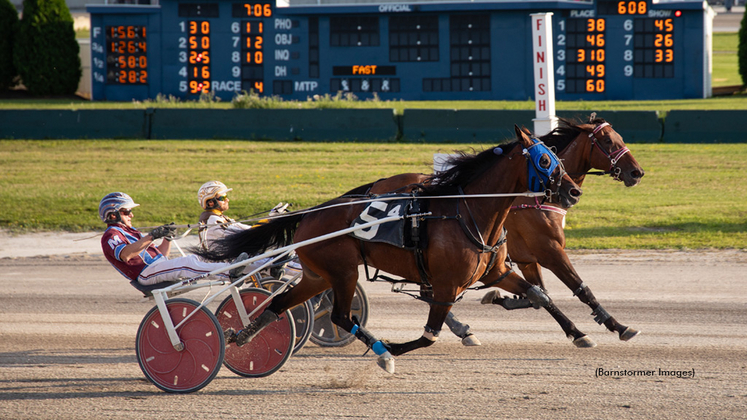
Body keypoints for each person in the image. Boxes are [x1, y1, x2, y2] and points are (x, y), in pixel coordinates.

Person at [99, 192, 248, 289]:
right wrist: (152, 236)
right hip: (145, 273)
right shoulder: (111, 235)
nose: (131, 215)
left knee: (200, 258)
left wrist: (167, 238)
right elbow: (125, 255)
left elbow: (162, 255)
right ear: (113, 215)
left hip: (157, 266)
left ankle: (246, 269)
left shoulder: (132, 232)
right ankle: (230, 274)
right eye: (127, 212)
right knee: (187, 264)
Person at [197, 180, 287, 251]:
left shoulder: (222, 218)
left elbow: (249, 229)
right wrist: (269, 220)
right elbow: (244, 235)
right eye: (222, 198)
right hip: (221, 266)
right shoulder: (212, 220)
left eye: (226, 196)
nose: (227, 200)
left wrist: (270, 218)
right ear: (211, 203)